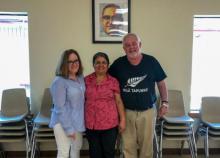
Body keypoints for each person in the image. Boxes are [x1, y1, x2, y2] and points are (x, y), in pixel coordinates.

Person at [108, 33, 169, 158]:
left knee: (146, 149)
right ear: (124, 48)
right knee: (128, 148)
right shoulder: (118, 64)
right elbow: (107, 81)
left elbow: (161, 83)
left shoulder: (151, 61)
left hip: (148, 112)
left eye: (134, 44)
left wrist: (165, 102)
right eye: (127, 45)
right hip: (126, 113)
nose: (131, 47)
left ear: (140, 45)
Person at [85, 52, 126, 158]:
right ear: (93, 65)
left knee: (108, 153)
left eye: (104, 62)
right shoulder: (86, 80)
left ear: (108, 65)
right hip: (91, 124)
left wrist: (122, 120)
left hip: (110, 125)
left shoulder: (113, 81)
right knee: (94, 153)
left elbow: (118, 101)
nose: (101, 65)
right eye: (97, 62)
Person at [49, 49, 85, 158]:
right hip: (62, 123)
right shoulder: (59, 81)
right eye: (70, 62)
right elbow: (60, 108)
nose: (74, 64)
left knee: (76, 150)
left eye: (76, 60)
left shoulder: (80, 78)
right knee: (64, 152)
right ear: (64, 63)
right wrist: (69, 129)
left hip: (77, 122)